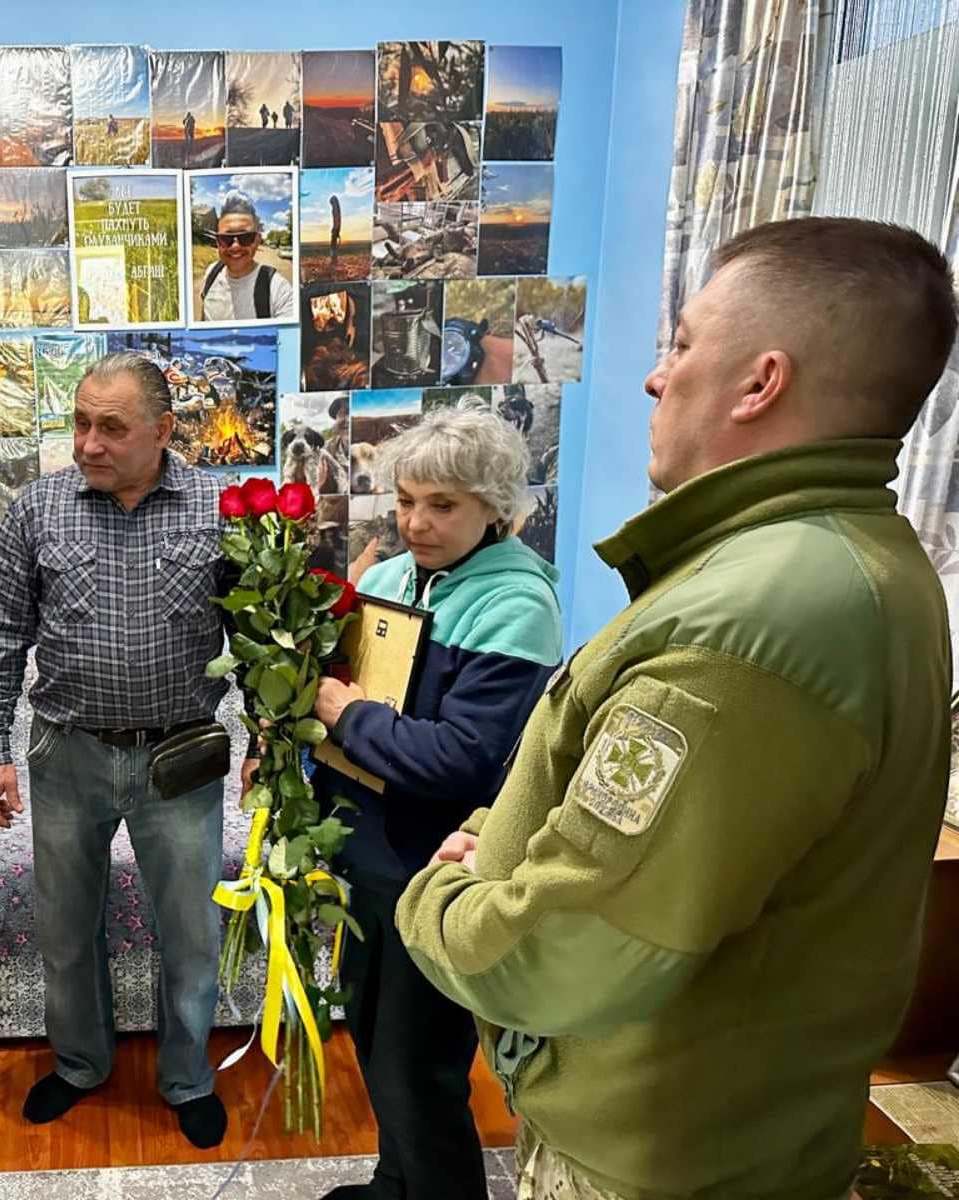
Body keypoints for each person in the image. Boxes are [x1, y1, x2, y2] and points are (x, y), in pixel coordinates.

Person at [397, 217, 959, 1200]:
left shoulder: (747, 626)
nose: (657, 377)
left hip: (662, 1156)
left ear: (760, 382)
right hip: (728, 1127)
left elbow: (569, 947)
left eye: (685, 343)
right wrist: (501, 836)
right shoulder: (849, 562)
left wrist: (434, 899)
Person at [274, 404, 562, 1200]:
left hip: (431, 868)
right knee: (370, 1038)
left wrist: (344, 713)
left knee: (419, 1063)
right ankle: (395, 1183)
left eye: (442, 505)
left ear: (494, 507)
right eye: (405, 500)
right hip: (366, 850)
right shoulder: (395, 576)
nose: (416, 521)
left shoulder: (517, 603)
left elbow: (460, 760)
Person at [0, 351, 239, 1150]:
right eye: (80, 422)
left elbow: (259, 635)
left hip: (181, 759)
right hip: (69, 755)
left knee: (191, 930)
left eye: (111, 428)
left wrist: (276, 742)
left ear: (162, 430)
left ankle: (187, 1076)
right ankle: (82, 1065)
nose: (88, 443)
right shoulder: (38, 509)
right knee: (64, 928)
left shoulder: (218, 511)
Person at [199, 193, 296, 322]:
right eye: (226, 239)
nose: (235, 246)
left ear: (257, 241)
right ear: (217, 242)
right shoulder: (211, 273)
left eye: (245, 238)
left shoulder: (278, 289)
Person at [330, 193, 342, 264]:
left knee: (333, 244)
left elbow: (336, 219)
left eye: (331, 202)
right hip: (336, 228)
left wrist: (336, 230)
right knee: (333, 244)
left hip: (335, 229)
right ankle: (334, 258)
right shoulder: (336, 208)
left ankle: (333, 259)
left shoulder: (335, 209)